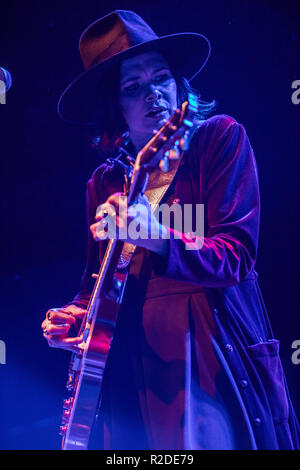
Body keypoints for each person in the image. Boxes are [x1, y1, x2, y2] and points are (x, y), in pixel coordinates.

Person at [41, 10, 300, 450]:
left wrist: (156, 234)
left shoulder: (217, 140)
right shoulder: (105, 183)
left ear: (178, 85)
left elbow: (235, 255)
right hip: (130, 369)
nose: (154, 93)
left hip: (208, 361)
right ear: (115, 108)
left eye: (161, 77)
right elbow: (97, 282)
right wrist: (79, 319)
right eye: (133, 87)